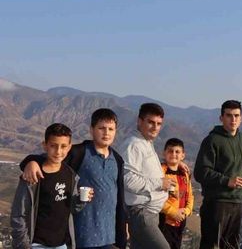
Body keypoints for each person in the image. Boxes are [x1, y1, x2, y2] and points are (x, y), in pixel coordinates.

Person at [19, 108, 127, 249]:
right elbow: (53, 158)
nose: (106, 133)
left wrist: (123, 225)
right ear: (91, 129)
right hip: (81, 234)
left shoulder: (117, 159)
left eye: (111, 129)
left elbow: (119, 197)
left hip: (108, 236)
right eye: (101, 128)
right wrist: (31, 162)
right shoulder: (79, 152)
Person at [11, 123, 91, 249]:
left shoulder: (70, 175)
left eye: (63, 146)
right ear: (45, 145)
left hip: (62, 244)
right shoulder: (32, 176)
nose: (58, 151)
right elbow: (18, 213)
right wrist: (23, 245)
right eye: (53, 146)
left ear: (70, 147)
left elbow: (73, 209)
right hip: (36, 244)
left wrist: (81, 200)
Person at [194, 100, 242, 249]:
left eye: (236, 116)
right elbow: (201, 172)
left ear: (241, 118)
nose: (233, 119)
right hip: (216, 203)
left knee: (232, 246)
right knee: (212, 245)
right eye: (229, 115)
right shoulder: (212, 140)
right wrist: (227, 181)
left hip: (237, 202)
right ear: (221, 118)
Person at [121, 103, 175, 249]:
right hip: (142, 213)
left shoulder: (145, 143)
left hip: (149, 214)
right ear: (140, 121)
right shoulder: (134, 145)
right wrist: (159, 183)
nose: (155, 127)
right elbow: (127, 179)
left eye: (159, 124)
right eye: (151, 122)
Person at [160, 138, 194, 249]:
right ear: (164, 153)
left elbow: (190, 195)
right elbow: (157, 199)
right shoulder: (160, 172)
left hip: (180, 222)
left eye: (177, 152)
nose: (173, 154)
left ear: (183, 155)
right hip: (164, 221)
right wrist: (173, 212)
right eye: (170, 151)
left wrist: (187, 211)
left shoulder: (184, 174)